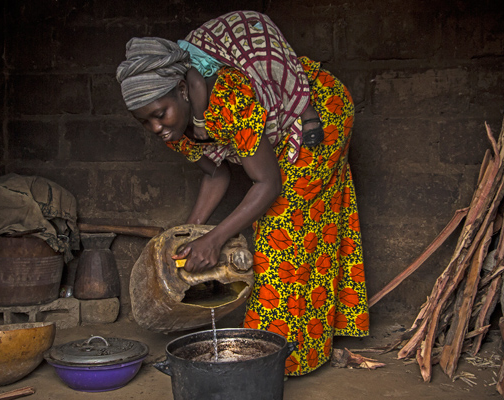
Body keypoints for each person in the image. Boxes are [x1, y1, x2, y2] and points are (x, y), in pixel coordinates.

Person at [116, 11, 369, 376]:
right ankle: (301, 342)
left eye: (159, 114)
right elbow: (216, 175)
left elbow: (268, 183)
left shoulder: (225, 100)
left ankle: (274, 362)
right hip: (276, 132)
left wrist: (215, 240)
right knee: (306, 228)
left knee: (283, 230)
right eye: (145, 121)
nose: (156, 127)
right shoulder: (177, 124)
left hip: (318, 111)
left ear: (183, 90)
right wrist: (188, 237)